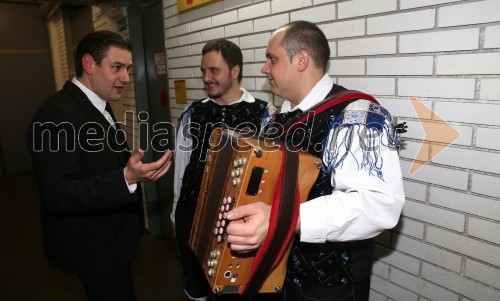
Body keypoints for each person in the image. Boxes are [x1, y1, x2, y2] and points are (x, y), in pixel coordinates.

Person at [225, 21, 405, 301]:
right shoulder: (275, 117)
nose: (264, 68)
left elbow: (379, 205)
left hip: (327, 287)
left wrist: (281, 220)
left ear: (301, 60)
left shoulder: (357, 114)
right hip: (273, 275)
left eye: (271, 59)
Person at [26, 30, 173, 301]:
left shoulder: (95, 105)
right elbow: (59, 194)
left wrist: (132, 175)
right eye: (116, 67)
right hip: (94, 249)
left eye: (127, 69)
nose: (125, 78)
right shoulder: (57, 115)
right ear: (89, 65)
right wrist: (125, 179)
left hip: (112, 243)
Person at [171, 39, 271, 301]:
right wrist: (175, 214)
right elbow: (181, 168)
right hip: (191, 214)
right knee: (195, 289)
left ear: (235, 71)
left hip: (236, 221)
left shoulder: (263, 114)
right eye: (204, 71)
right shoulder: (193, 112)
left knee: (232, 291)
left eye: (214, 70)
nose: (207, 78)